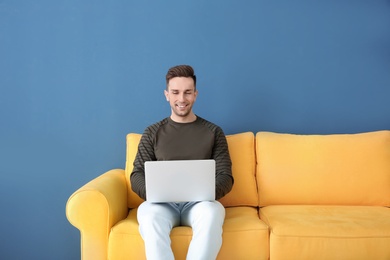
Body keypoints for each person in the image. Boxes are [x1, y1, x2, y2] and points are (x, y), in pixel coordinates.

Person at [130, 65, 234, 260]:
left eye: (187, 92)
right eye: (175, 92)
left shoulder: (213, 132)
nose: (181, 99)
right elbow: (136, 174)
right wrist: (153, 193)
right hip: (161, 205)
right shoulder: (152, 132)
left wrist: (206, 193)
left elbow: (225, 176)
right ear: (166, 95)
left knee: (213, 213)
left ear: (195, 94)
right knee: (148, 215)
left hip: (199, 205)